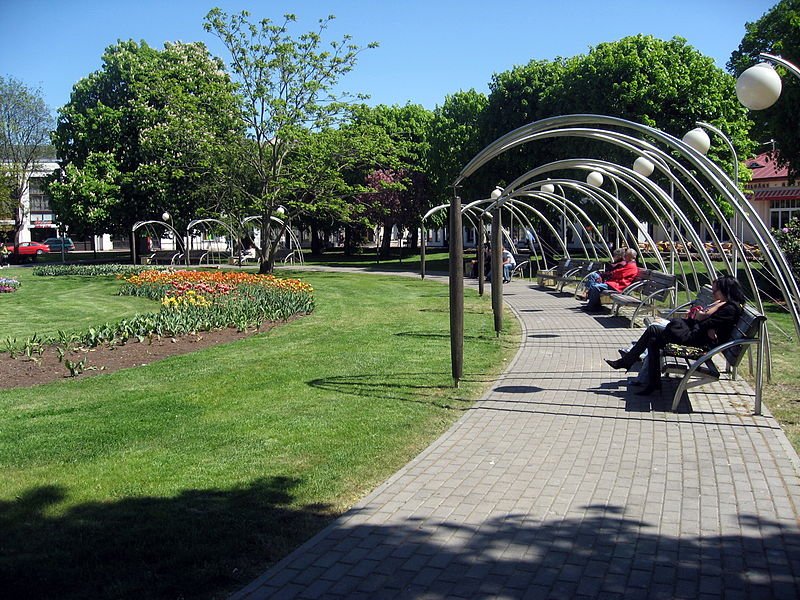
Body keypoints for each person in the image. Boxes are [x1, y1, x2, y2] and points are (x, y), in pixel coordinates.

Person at [605, 275, 746, 395]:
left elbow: (703, 324)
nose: (713, 294)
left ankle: (628, 363)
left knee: (654, 330)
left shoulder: (730, 309)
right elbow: (705, 323)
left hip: (700, 344)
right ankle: (651, 382)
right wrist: (702, 320)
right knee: (654, 340)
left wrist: (701, 319)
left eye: (716, 291)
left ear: (726, 291)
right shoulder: (726, 304)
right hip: (698, 337)